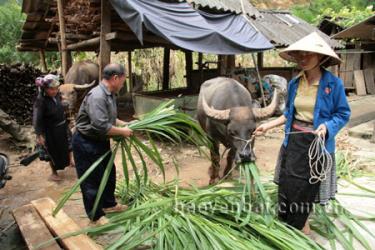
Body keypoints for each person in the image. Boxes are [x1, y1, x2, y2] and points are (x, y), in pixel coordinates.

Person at [254, 32, 351, 234]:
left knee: (307, 188)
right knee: (289, 185)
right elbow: (289, 113)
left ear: (321, 57)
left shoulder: (334, 84)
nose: (303, 59)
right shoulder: (294, 83)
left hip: (317, 145)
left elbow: (343, 114)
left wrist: (328, 127)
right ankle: (294, 225)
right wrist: (268, 126)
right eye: (300, 55)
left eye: (309, 55)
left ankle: (302, 228)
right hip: (294, 143)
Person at [72, 63, 133, 224]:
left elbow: (109, 119)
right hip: (86, 142)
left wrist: (122, 124)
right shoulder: (97, 96)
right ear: (115, 78)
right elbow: (101, 126)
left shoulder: (110, 94)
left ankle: (108, 204)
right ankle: (96, 216)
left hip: (100, 141)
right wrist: (123, 132)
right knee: (91, 180)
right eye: (123, 80)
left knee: (108, 173)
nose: (123, 83)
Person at [33, 74, 74, 181]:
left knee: (68, 145)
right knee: (50, 152)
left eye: (56, 89)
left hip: (62, 126)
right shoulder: (40, 101)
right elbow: (37, 119)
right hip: (50, 131)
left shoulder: (56, 95)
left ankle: (70, 161)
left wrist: (62, 100)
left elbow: (59, 101)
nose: (54, 91)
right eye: (51, 89)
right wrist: (39, 134)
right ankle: (54, 172)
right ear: (45, 89)